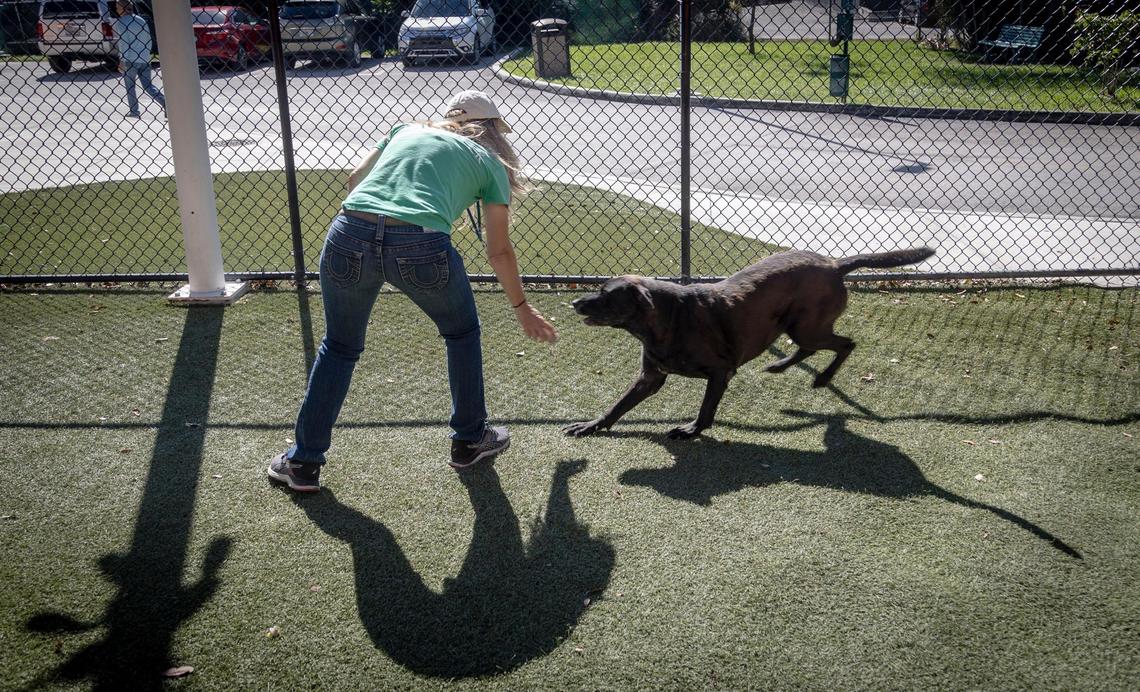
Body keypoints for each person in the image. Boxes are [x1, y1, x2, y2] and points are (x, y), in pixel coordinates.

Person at [268, 90, 558, 493]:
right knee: (460, 333)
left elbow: (355, 181)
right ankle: (469, 440)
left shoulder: (406, 130)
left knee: (339, 346)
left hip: (348, 232)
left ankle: (302, 463)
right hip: (420, 245)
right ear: (492, 130)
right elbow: (498, 250)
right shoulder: (490, 163)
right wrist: (522, 307)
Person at [113, 0, 165, 118]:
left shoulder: (121, 22)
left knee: (130, 86)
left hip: (130, 59)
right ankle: (165, 103)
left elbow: (124, 43)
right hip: (145, 58)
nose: (116, 9)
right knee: (148, 86)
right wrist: (147, 54)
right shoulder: (141, 20)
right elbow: (149, 39)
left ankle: (134, 111)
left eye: (117, 7)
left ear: (123, 8)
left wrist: (122, 60)